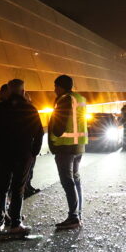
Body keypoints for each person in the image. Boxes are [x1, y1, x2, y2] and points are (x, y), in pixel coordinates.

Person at [0, 79, 43, 235]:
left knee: (2, 189)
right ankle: (16, 223)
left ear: (9, 91)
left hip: (3, 155)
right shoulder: (30, 109)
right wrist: (33, 153)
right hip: (22, 155)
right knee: (18, 189)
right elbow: (39, 133)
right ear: (23, 92)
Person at [49, 74, 87, 230]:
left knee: (67, 181)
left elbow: (59, 126)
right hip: (78, 146)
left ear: (61, 86)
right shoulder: (80, 98)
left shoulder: (65, 99)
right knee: (76, 179)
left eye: (55, 86)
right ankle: (78, 213)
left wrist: (54, 135)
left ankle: (73, 217)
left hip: (65, 147)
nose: (54, 90)